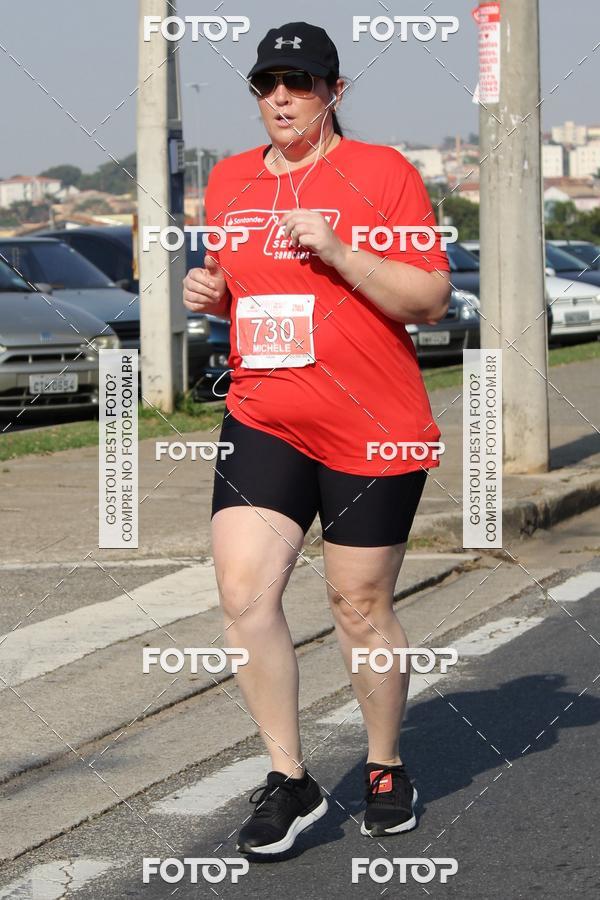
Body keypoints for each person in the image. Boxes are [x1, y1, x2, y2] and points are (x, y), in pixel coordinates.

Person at [183, 21, 451, 855]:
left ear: (335, 90)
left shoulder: (383, 173)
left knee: (358, 606)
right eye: (267, 84)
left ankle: (382, 765)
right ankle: (291, 779)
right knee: (244, 595)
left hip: (372, 424)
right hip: (265, 414)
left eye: (299, 82)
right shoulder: (227, 182)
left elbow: (430, 298)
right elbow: (254, 295)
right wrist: (213, 292)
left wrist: (338, 248)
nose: (282, 98)